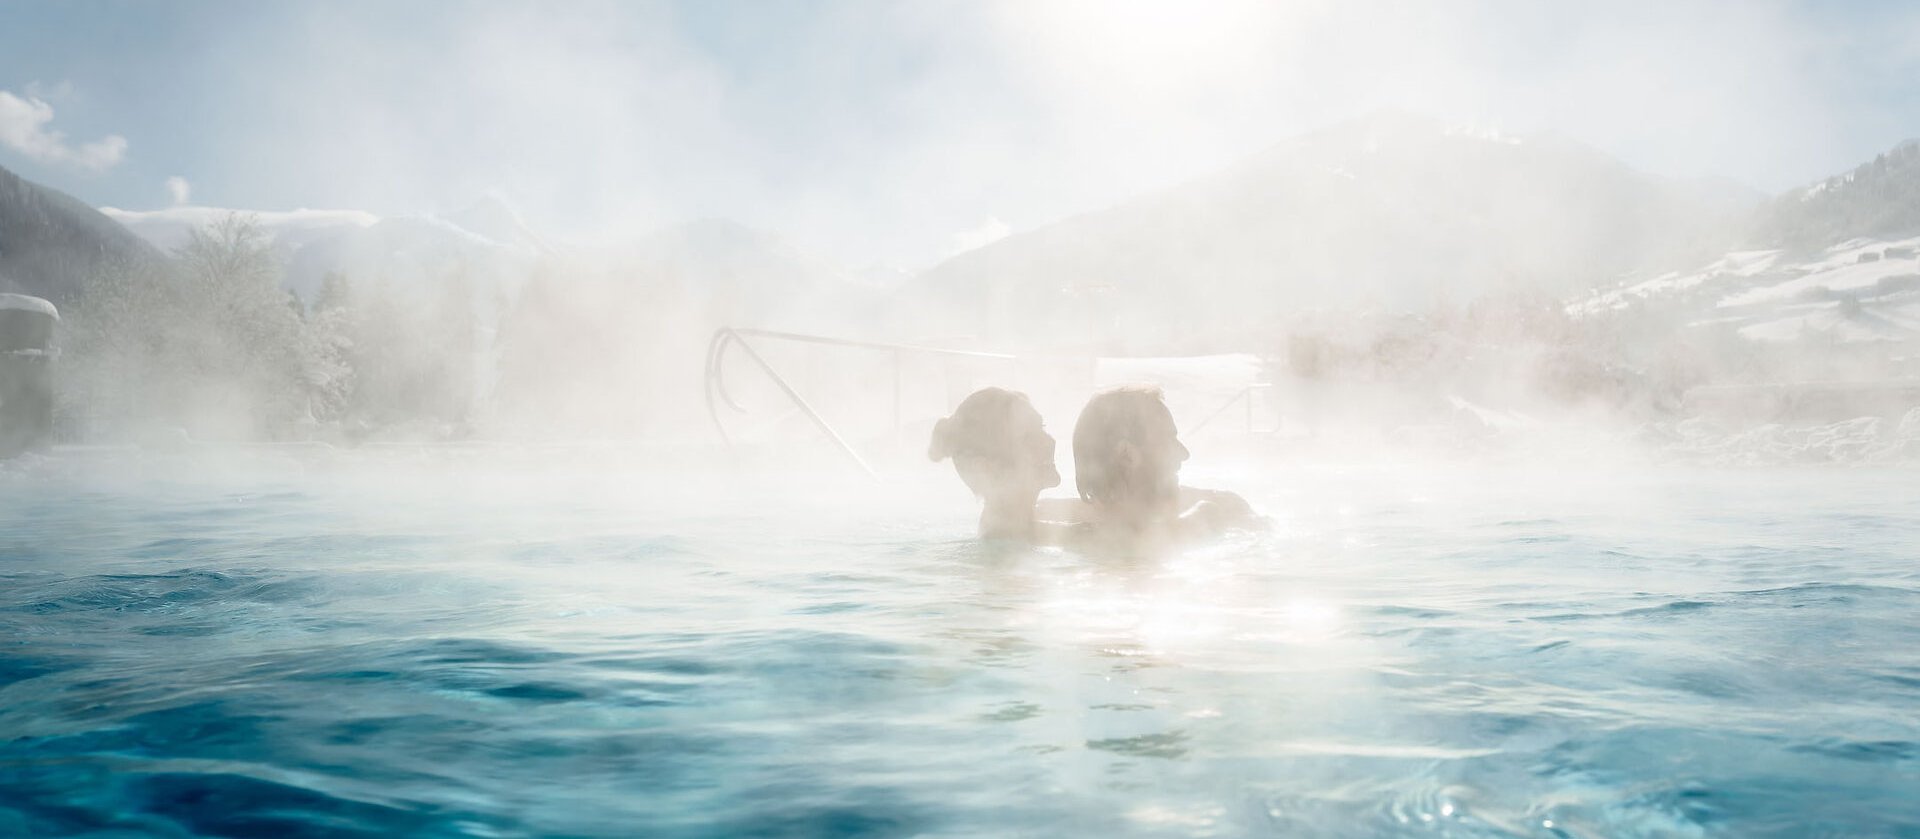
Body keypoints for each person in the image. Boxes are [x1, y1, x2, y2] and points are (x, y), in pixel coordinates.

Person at [1071, 385, 1257, 549]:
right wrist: (1198, 519)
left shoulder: (1228, 508)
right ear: (1126, 455)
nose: (1184, 453)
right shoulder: (1211, 513)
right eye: (1168, 439)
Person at [929, 387, 1086, 542]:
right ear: (985, 469)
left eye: (1041, 427)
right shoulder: (1007, 541)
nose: (1048, 441)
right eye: (1029, 436)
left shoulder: (1011, 520)